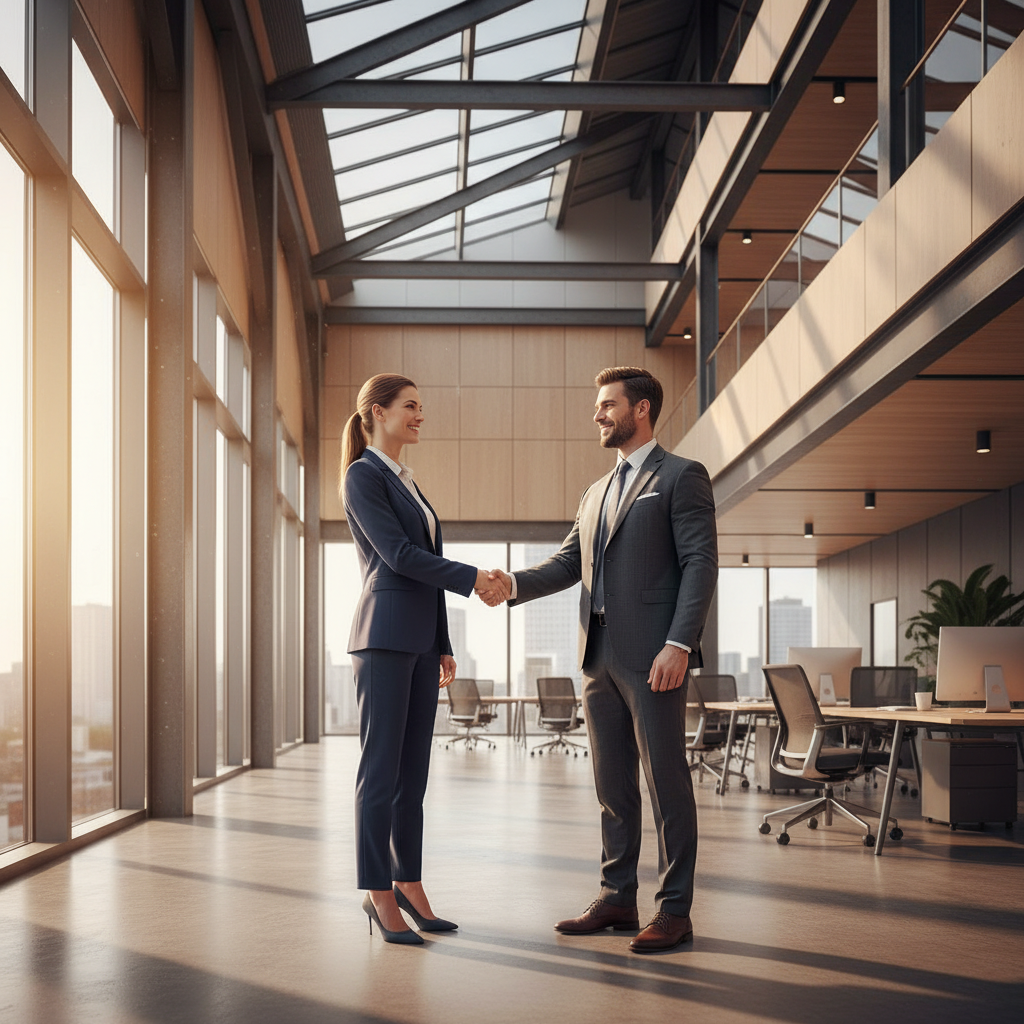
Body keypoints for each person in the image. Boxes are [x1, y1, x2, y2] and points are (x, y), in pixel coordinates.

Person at [487, 366, 717, 953]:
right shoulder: (596, 492)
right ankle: (617, 898)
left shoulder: (682, 477)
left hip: (654, 656)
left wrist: (679, 643)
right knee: (612, 785)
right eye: (598, 405)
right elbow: (568, 565)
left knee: (666, 783)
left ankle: (675, 910)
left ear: (640, 410)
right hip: (599, 657)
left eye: (608, 404)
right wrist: (510, 583)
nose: (598, 414)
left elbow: (699, 564)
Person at [341, 373, 508, 945]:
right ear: (377, 412)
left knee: (413, 775)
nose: (419, 415)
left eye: (420, 407)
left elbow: (422, 564)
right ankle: (376, 890)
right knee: (380, 773)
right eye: (410, 407)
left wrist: (442, 641)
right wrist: (474, 579)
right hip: (383, 638)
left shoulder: (407, 481)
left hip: (416, 642)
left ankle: (409, 881)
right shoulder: (363, 476)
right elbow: (399, 556)